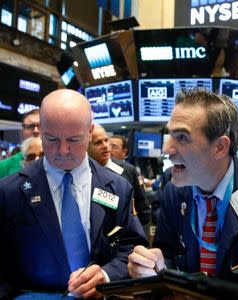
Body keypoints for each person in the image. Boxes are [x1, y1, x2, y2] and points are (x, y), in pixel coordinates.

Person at [128, 88, 238, 288]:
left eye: (182, 137)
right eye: (170, 134)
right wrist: (154, 267)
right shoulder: (173, 193)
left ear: (220, 147)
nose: (166, 149)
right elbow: (168, 254)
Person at [0, 89, 148, 299]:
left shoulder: (118, 187)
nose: (63, 150)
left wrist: (106, 275)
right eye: (51, 139)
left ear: (90, 131)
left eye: (73, 139)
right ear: (40, 131)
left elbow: (131, 247)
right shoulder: (9, 192)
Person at [87, 124, 152, 230]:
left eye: (106, 140)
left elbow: (142, 208)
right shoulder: (83, 174)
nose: (105, 146)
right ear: (87, 147)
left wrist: (139, 236)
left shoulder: (128, 171)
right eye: (98, 142)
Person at [0, 109, 40, 178]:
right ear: (22, 132)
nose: (36, 131)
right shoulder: (4, 167)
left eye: (41, 125)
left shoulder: (61, 163)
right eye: (30, 126)